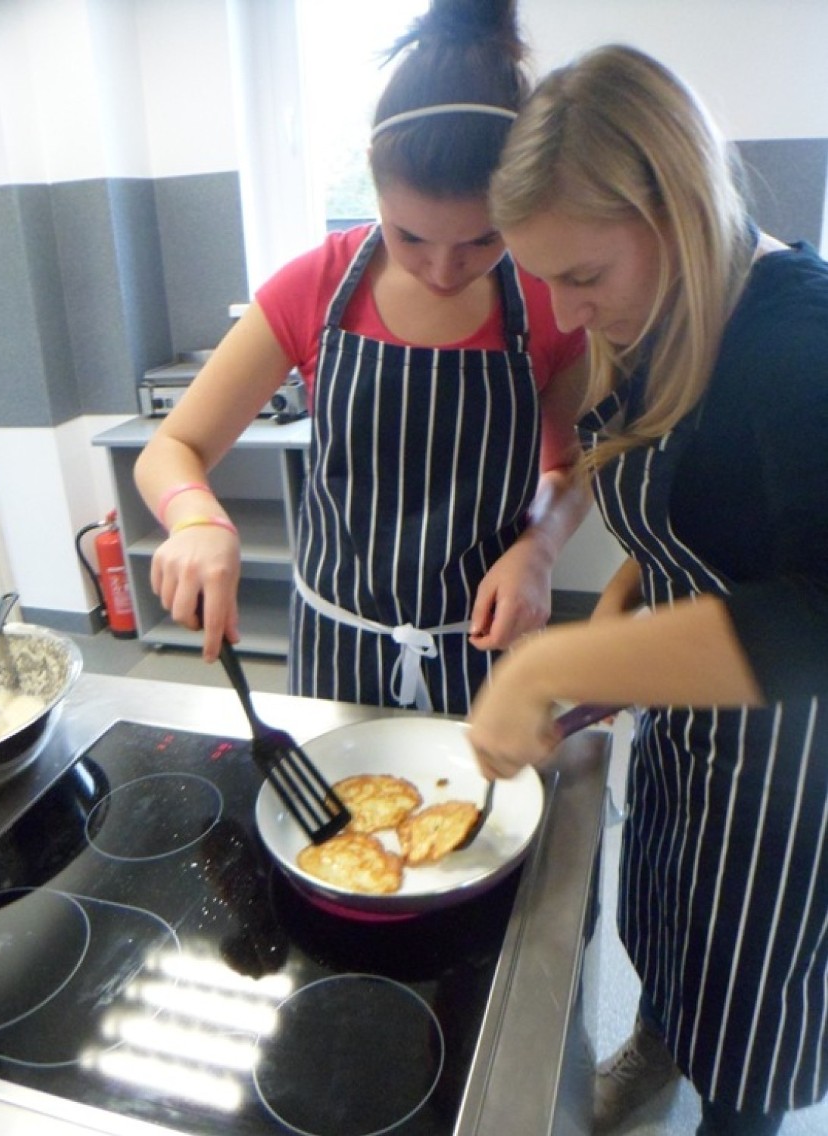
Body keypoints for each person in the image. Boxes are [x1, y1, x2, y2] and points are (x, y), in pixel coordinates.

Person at [467, 42, 828, 1136]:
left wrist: (560, 660)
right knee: (674, 923)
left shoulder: (796, 344)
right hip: (687, 738)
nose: (570, 319)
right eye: (549, 282)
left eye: (586, 277)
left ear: (674, 207)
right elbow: (684, 526)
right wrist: (601, 608)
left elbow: (814, 609)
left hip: (791, 778)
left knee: (754, 1009)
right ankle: (663, 1040)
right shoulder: (658, 319)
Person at [133, 0, 589, 716]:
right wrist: (197, 522)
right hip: (333, 648)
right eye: (410, 237)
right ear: (372, 188)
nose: (443, 270)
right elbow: (173, 447)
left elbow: (569, 467)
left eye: (481, 241)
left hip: (485, 651)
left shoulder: (548, 303)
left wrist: (540, 550)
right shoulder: (312, 288)